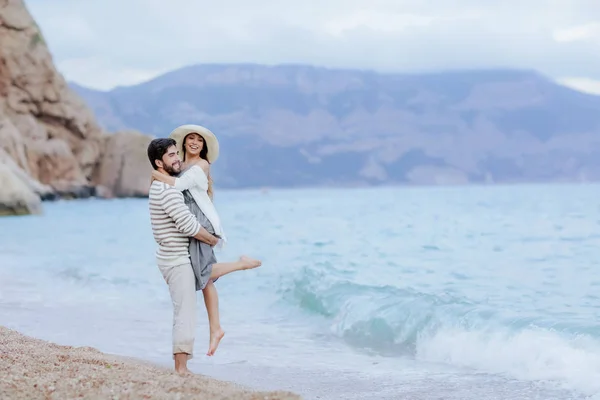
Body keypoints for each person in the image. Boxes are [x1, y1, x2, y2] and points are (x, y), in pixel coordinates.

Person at [147, 137, 261, 375]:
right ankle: (181, 368)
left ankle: (205, 339)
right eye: (171, 155)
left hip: (177, 253)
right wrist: (211, 239)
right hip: (175, 258)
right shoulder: (168, 189)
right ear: (159, 163)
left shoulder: (175, 178)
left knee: (203, 277)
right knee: (186, 309)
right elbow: (188, 225)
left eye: (176, 153)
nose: (177, 158)